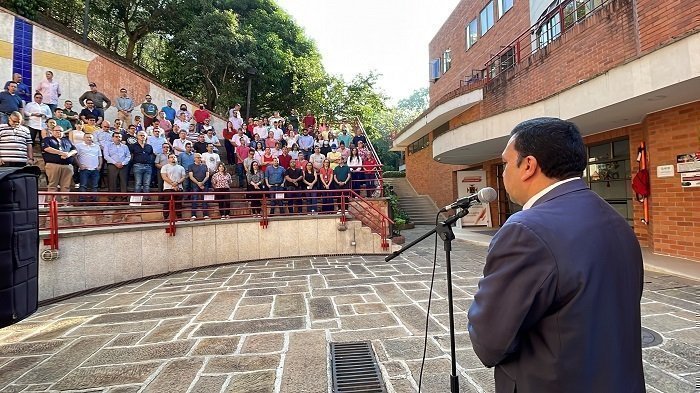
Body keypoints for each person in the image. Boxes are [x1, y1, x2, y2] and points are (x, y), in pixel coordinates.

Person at [467, 118, 644, 393]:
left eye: (505, 163)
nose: (502, 173)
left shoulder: (525, 230)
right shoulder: (614, 218)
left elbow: (489, 341)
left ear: (528, 166)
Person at [41, 125, 76, 204]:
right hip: (53, 165)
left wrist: (68, 154)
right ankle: (51, 203)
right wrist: (61, 153)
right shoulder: (47, 139)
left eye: (60, 131)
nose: (58, 132)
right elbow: (46, 148)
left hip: (67, 166)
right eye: (57, 130)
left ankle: (65, 203)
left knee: (66, 186)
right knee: (53, 185)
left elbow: (74, 150)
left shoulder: (67, 140)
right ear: (52, 132)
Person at [75, 133, 102, 202]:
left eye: (90, 137)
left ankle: (94, 201)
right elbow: (75, 157)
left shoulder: (97, 146)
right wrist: (80, 166)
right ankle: (81, 201)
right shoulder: (78, 146)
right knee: (83, 185)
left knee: (95, 186)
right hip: (84, 169)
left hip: (95, 169)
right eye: (87, 137)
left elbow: (100, 157)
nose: (89, 139)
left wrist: (100, 166)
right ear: (83, 138)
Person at [160, 153, 187, 219]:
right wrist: (173, 183)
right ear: (168, 159)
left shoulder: (181, 167)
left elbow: (183, 177)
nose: (173, 158)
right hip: (168, 188)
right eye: (171, 157)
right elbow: (164, 177)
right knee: (167, 204)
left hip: (179, 188)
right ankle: (165, 218)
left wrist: (177, 183)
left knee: (178, 204)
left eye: (174, 157)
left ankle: (179, 218)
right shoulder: (165, 167)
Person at [104, 133, 130, 198]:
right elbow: (106, 156)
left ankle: (124, 198)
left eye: (119, 137)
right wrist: (115, 163)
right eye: (116, 137)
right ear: (112, 138)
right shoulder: (108, 145)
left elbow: (128, 156)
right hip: (112, 165)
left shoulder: (125, 146)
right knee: (112, 182)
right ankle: (112, 198)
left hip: (123, 166)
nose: (118, 138)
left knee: (124, 182)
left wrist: (123, 163)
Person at [188, 153, 210, 219]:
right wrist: (198, 183)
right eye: (197, 157)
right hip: (195, 185)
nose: (199, 159)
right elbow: (191, 176)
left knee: (205, 200)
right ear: (194, 158)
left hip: (204, 185)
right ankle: (193, 215)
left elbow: (207, 176)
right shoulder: (191, 166)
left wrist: (202, 183)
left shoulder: (205, 166)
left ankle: (205, 214)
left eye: (200, 157)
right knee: (194, 199)